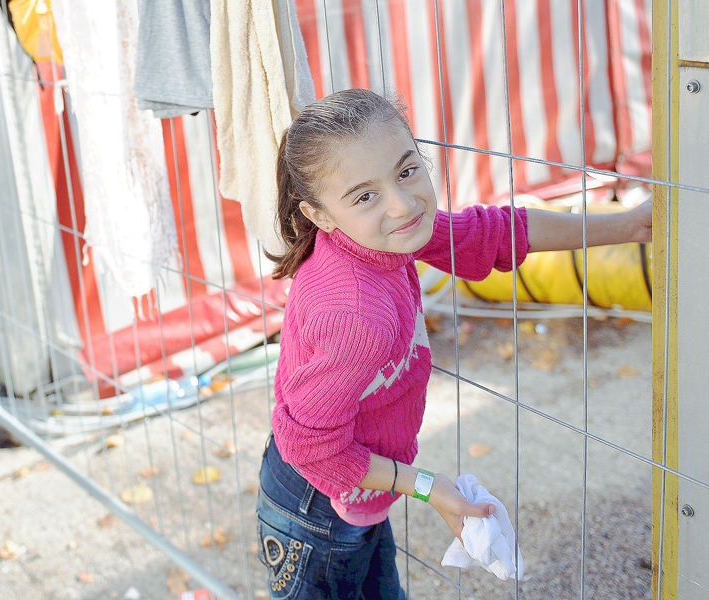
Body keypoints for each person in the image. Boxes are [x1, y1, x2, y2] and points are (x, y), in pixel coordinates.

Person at [256, 88, 652, 600]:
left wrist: (630, 223)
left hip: (354, 485)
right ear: (319, 215)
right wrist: (428, 486)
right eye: (365, 195)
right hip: (315, 506)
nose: (403, 203)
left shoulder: (373, 238)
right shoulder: (358, 318)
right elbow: (311, 447)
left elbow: (494, 233)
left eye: (406, 170)